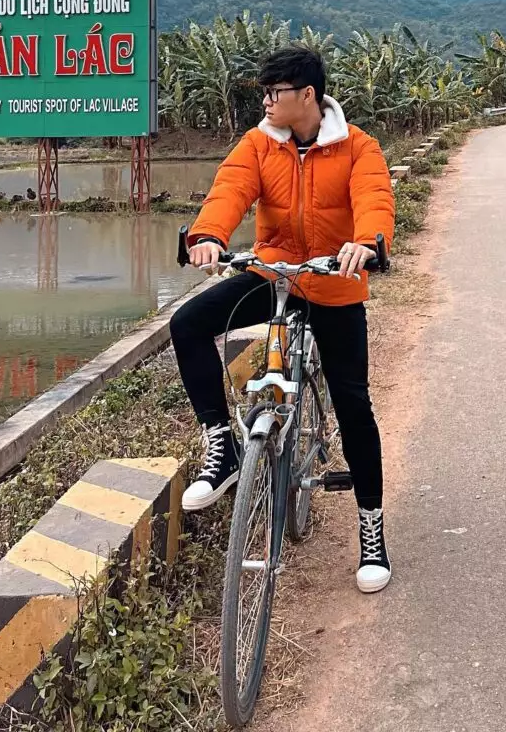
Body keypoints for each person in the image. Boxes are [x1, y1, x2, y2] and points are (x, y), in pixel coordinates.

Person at [169, 44, 395, 594]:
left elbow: (373, 199)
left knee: (353, 403)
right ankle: (220, 443)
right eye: (265, 93)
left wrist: (365, 243)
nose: (267, 102)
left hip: (335, 284)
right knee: (188, 324)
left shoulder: (356, 147)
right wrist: (208, 237)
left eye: (277, 93)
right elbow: (230, 191)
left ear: (308, 97)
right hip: (275, 276)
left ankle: (372, 529)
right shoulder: (258, 144)